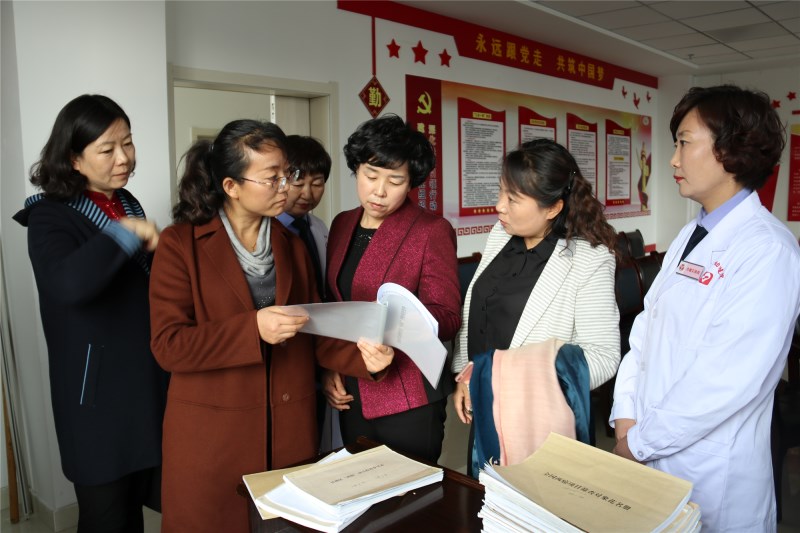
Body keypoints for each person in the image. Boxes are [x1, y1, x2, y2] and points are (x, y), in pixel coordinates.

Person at [148, 119, 393, 533]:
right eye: (272, 177)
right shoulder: (180, 244)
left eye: (287, 173)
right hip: (214, 435)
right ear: (231, 186)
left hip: (289, 429)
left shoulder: (291, 244)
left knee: (285, 524)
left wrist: (364, 358)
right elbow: (169, 345)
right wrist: (253, 329)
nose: (287, 187)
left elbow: (312, 328)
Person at [611, 85, 800, 532]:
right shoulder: (689, 235)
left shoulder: (767, 250)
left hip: (713, 473)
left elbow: (725, 380)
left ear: (731, 149)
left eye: (684, 142)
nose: (673, 160)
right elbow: (644, 334)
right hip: (648, 447)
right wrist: (626, 418)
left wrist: (639, 443)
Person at [12, 94, 168, 532]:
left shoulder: (126, 202)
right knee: (107, 517)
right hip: (95, 397)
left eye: (128, 143)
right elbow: (68, 285)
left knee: (139, 506)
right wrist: (124, 233)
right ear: (73, 159)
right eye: (107, 149)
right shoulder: (49, 217)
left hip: (144, 385)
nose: (124, 157)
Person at [451, 139, 620, 476]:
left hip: (538, 420)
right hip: (486, 403)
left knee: (531, 502)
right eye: (501, 192)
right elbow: (477, 315)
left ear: (553, 208)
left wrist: (512, 381)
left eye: (513, 199)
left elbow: (603, 356)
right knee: (485, 495)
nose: (499, 206)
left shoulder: (589, 260)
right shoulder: (500, 236)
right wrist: (466, 376)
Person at [322, 114, 462, 464]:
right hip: (353, 387)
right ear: (356, 169)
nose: (379, 191)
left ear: (411, 182)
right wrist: (332, 366)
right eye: (370, 176)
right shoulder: (341, 224)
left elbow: (448, 317)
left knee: (411, 491)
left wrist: (396, 326)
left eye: (395, 180)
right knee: (358, 486)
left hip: (408, 396)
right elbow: (334, 305)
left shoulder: (430, 231)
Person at [277, 135, 331, 300]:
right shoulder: (266, 229)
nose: (307, 194)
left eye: (317, 184)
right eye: (298, 184)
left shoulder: (319, 227)